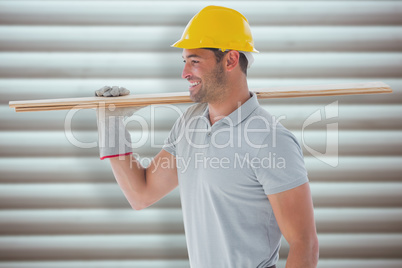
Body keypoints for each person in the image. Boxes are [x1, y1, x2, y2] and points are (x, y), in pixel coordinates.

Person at [96, 5, 319, 268]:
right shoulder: (189, 123)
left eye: (195, 61)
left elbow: (305, 244)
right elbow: (141, 194)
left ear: (231, 60)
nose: (185, 73)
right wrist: (112, 125)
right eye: (185, 61)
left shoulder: (271, 141)